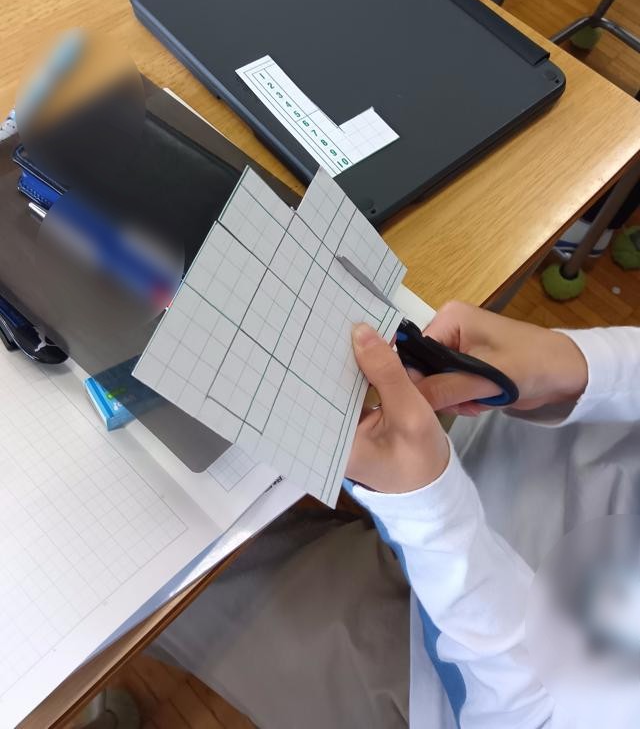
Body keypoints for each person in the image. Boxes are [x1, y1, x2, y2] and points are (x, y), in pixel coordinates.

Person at [150, 303, 640, 727]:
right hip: (506, 448)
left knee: (165, 580)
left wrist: (432, 515)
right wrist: (584, 365)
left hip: (460, 675)